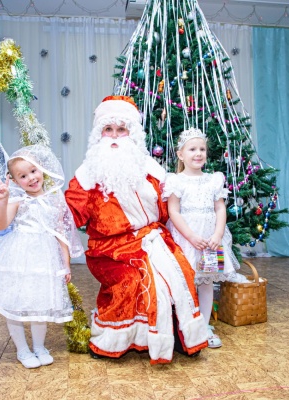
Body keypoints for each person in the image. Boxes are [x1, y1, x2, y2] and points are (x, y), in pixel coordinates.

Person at [64, 95, 208, 365]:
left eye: (121, 129)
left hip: (152, 238)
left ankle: (178, 334)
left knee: (181, 270)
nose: (114, 136)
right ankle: (115, 339)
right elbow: (70, 213)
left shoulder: (151, 169)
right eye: (108, 129)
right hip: (109, 250)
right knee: (131, 280)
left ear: (132, 134)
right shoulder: (87, 174)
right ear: (99, 134)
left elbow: (168, 208)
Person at [0, 145, 83, 369]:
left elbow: (60, 233)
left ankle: (39, 347)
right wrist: (3, 200)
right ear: (16, 181)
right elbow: (1, 225)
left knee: (40, 304)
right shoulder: (18, 199)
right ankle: (22, 350)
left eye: (33, 171)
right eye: (23, 176)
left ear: (41, 169)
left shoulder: (55, 198)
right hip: (19, 255)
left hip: (44, 258)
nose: (31, 178)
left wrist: (65, 263)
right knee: (15, 304)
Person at [163, 127, 249, 349]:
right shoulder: (175, 181)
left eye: (202, 149)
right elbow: (173, 211)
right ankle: (184, 325)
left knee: (207, 282)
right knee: (184, 281)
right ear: (181, 154)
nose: (198, 153)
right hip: (186, 239)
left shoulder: (214, 180)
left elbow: (220, 208)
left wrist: (218, 234)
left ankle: (204, 326)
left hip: (210, 242)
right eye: (192, 149)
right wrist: (191, 236)